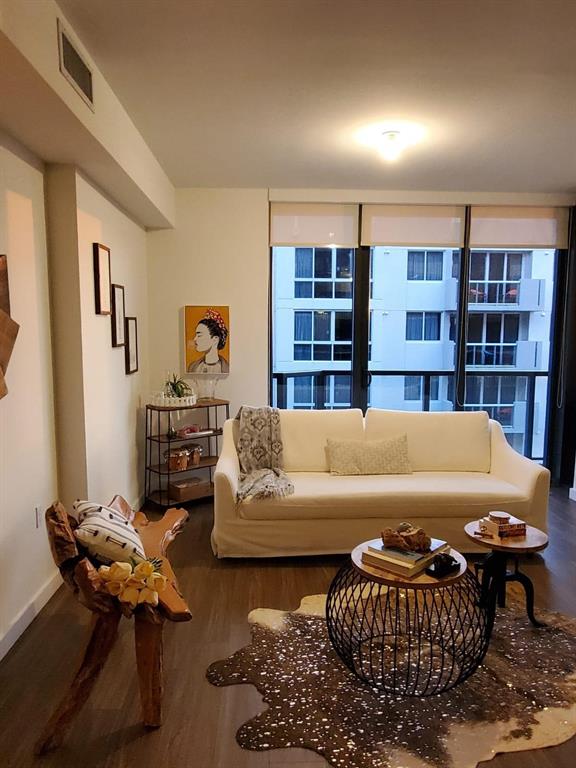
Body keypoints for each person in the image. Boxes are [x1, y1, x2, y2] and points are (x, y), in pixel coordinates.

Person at [187, 308, 229, 373]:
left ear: (215, 339)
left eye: (199, 335)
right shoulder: (192, 367)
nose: (195, 339)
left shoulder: (226, 368)